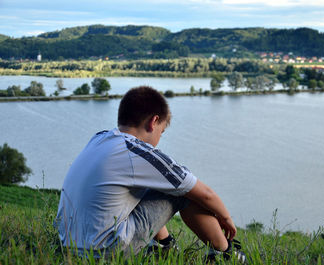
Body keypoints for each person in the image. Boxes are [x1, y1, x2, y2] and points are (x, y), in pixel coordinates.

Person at [55, 86, 246, 263]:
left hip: (67, 246)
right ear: (154, 122)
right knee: (183, 188)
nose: (158, 140)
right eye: (161, 132)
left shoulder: (100, 139)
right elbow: (204, 193)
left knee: (161, 182)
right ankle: (225, 253)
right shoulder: (136, 151)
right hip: (103, 253)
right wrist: (226, 219)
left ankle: (163, 246)